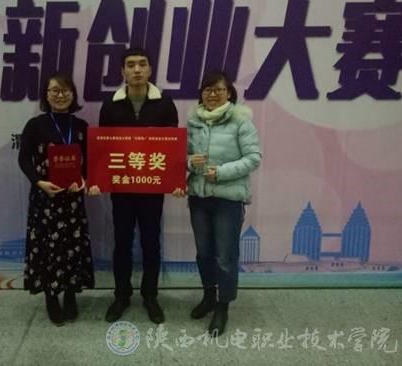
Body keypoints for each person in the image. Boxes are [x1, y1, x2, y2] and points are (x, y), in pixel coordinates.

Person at [95, 47, 179, 324]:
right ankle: (121, 295)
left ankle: (150, 296)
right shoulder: (111, 105)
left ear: (150, 69)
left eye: (142, 64)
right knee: (122, 243)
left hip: (152, 188)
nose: (137, 69)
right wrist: (98, 180)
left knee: (151, 242)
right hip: (122, 188)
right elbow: (103, 149)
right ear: (123, 71)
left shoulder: (164, 104)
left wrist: (176, 181)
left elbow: (172, 149)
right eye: (131, 65)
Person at [186, 70, 261, 336]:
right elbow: (181, 157)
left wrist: (221, 172)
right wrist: (189, 163)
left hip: (228, 200)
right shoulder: (194, 122)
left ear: (228, 93)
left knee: (226, 256)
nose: (213, 94)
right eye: (207, 90)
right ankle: (208, 296)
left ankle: (222, 306)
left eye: (218, 89)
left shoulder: (241, 121)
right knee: (203, 253)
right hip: (199, 197)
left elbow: (253, 158)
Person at [18, 72, 94, 326]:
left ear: (73, 94)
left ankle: (71, 294)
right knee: (48, 249)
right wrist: (39, 182)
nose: (60, 95)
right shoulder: (35, 125)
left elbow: (91, 161)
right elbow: (24, 159)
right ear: (46, 95)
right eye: (55, 91)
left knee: (73, 247)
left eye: (65, 91)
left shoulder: (81, 126)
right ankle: (51, 297)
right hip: (45, 200)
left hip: (73, 200)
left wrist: (83, 180)